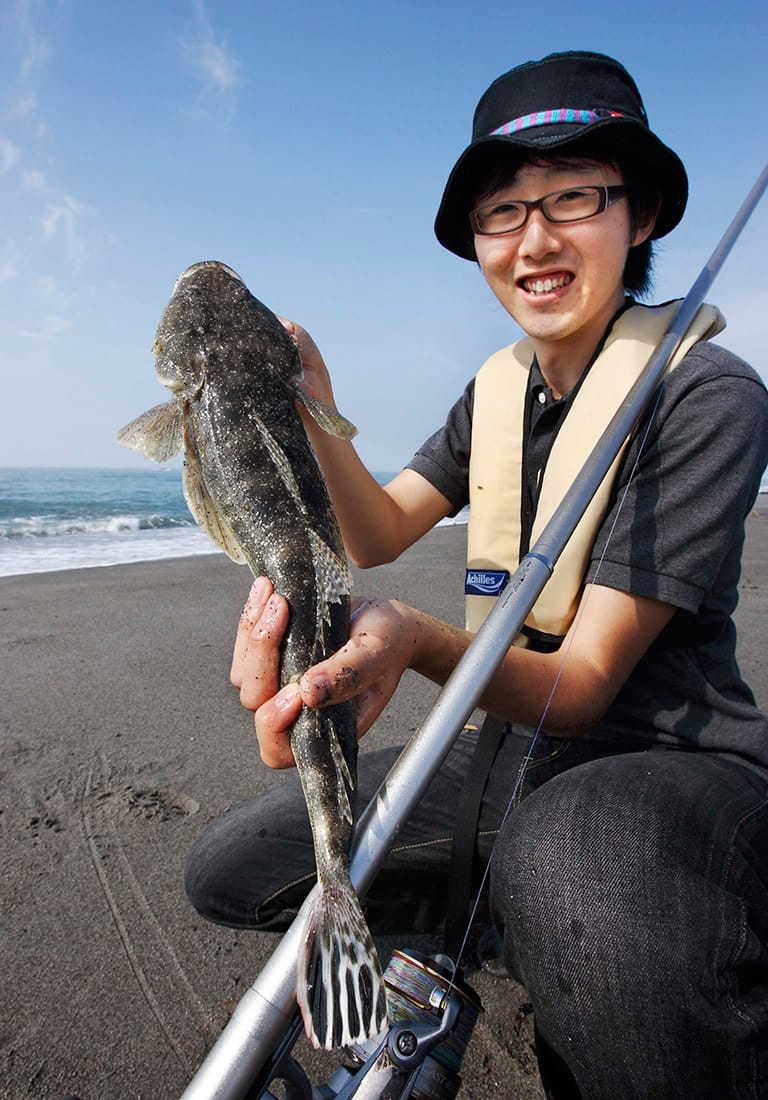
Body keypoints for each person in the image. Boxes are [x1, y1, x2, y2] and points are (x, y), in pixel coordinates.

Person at [185, 51, 768, 1098]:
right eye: (503, 211)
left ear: (639, 219)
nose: (535, 239)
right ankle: (513, 919)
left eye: (575, 196)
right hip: (510, 755)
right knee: (231, 869)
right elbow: (374, 531)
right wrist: (311, 406)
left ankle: (651, 936)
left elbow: (585, 684)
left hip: (667, 760)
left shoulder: (709, 397)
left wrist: (410, 640)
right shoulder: (490, 398)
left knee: (584, 862)